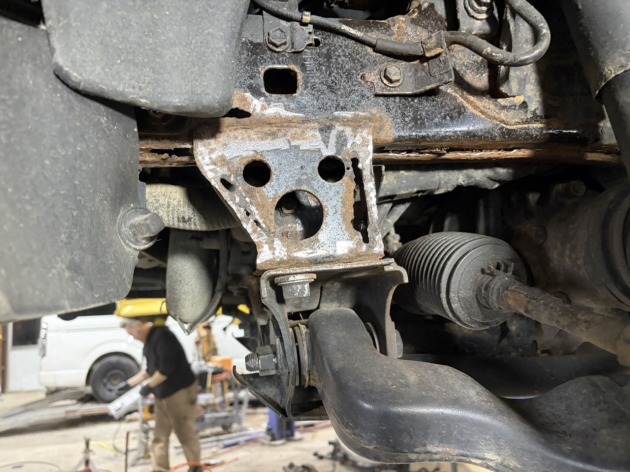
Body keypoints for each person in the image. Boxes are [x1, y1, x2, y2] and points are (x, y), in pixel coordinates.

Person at [117, 315, 201, 472]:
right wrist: (127, 384)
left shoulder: (162, 337)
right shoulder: (149, 341)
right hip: (163, 394)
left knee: (185, 433)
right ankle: (160, 469)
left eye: (131, 333)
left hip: (179, 392)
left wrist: (148, 387)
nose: (132, 337)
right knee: (159, 436)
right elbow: (150, 370)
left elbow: (165, 370)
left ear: (138, 327)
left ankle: (195, 467)